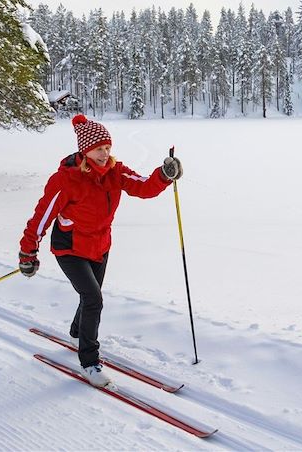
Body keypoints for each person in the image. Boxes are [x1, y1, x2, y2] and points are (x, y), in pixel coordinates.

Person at [18, 114, 182, 387]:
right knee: (93, 299)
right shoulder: (66, 180)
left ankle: (75, 332)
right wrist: (28, 252)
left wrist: (164, 175)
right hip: (69, 247)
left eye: (108, 148)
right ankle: (89, 362)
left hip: (99, 246)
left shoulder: (115, 172)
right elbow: (42, 216)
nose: (105, 154)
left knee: (90, 296)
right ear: (85, 150)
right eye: (99, 149)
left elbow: (143, 186)